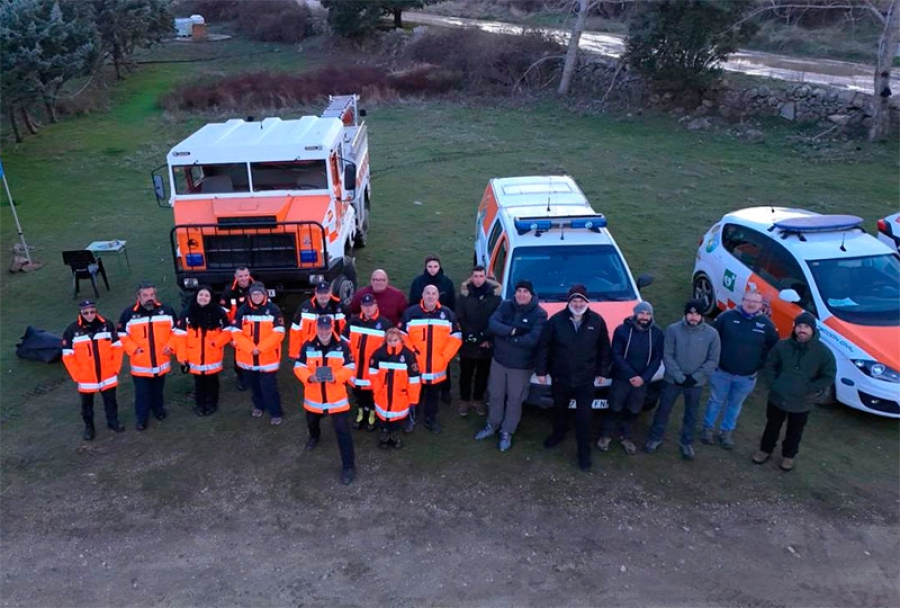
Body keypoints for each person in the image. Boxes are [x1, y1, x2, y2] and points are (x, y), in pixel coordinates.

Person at [536, 284, 611, 471]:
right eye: (574, 300)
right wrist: (542, 371)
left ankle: (583, 454)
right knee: (558, 409)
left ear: (587, 302)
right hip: (561, 377)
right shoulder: (555, 321)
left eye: (581, 300)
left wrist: (602, 372)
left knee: (584, 417)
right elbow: (544, 347)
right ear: (569, 302)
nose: (578, 304)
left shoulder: (597, 321)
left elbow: (604, 349)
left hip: (585, 379)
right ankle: (558, 434)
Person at [752, 311, 836, 471]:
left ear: (813, 329)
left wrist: (810, 388)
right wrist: (775, 384)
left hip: (802, 402)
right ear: (795, 327)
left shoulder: (823, 353)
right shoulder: (782, 346)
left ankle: (788, 456)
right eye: (799, 326)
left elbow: (829, 374)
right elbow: (770, 365)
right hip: (778, 397)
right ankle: (764, 450)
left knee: (795, 431)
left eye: (806, 327)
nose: (802, 330)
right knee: (772, 426)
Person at [700, 290, 778, 449]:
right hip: (721, 372)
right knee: (715, 401)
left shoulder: (767, 325)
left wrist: (758, 364)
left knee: (735, 405)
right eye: (748, 300)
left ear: (761, 305)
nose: (751, 304)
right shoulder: (726, 318)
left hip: (747, 377)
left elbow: (772, 349)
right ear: (742, 300)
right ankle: (707, 429)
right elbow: (713, 340)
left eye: (755, 302)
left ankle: (726, 432)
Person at [475, 280, 546, 452]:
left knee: (515, 400)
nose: (521, 294)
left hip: (520, 367)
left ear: (531, 294)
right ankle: (492, 425)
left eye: (525, 291)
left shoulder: (540, 314)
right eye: (519, 291)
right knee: (495, 394)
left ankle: (507, 432)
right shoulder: (505, 305)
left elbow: (532, 340)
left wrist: (504, 336)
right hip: (499, 361)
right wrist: (513, 331)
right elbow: (493, 324)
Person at [645, 299, 721, 460]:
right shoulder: (673, 330)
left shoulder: (712, 334)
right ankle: (655, 438)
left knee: (691, 413)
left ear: (702, 316)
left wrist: (695, 378)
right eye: (690, 314)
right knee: (663, 409)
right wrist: (679, 376)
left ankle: (686, 443)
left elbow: (713, 360)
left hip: (695, 384)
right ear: (685, 314)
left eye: (697, 314)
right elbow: (667, 354)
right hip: (672, 380)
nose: (693, 317)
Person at [294, 316, 357, 485]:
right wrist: (309, 378)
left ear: (332, 328)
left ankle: (348, 467)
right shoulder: (307, 345)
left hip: (337, 399)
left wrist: (335, 377)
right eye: (320, 328)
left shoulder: (342, 345)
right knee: (312, 421)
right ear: (316, 328)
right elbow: (299, 367)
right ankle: (315, 436)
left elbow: (350, 367)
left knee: (342, 431)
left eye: (326, 328)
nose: (324, 331)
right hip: (314, 397)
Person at [597, 301, 664, 456]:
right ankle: (606, 435)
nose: (644, 317)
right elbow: (616, 354)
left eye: (648, 314)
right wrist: (631, 375)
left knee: (634, 409)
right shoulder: (621, 330)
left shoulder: (657, 333)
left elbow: (656, 358)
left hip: (642, 380)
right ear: (635, 314)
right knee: (614, 406)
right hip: (622, 378)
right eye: (641, 313)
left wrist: (644, 377)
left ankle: (626, 437)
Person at [399, 284, 462, 434]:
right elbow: (402, 335)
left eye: (434, 293)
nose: (430, 296)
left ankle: (430, 420)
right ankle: (410, 418)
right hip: (416, 367)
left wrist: (444, 357)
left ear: (438, 296)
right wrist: (412, 354)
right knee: (413, 395)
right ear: (422, 295)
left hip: (437, 367)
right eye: (428, 293)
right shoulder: (411, 313)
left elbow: (456, 337)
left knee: (433, 397)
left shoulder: (447, 314)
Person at [62, 300, 125, 440]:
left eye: (92, 311)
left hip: (107, 374)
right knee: (87, 406)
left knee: (111, 401)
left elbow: (118, 347)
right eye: (86, 312)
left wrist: (115, 367)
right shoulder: (72, 330)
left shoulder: (107, 325)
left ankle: (113, 422)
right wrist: (78, 375)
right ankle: (89, 428)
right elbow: (67, 356)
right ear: (80, 313)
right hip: (86, 378)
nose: (89, 315)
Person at [119, 282, 177, 431]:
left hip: (161, 361)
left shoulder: (167, 311)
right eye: (145, 295)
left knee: (158, 390)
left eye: (152, 295)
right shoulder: (128, 314)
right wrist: (133, 349)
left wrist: (170, 346)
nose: (149, 298)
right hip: (141, 364)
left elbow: (176, 332)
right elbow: (121, 336)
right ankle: (142, 418)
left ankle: (158, 410)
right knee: (142, 393)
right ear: (138, 297)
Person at [229, 282, 286, 425]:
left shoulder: (274, 310)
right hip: (247, 359)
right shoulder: (242, 310)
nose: (256, 296)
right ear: (250, 295)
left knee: (269, 388)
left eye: (259, 294)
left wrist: (259, 348)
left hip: (267, 358)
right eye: (254, 294)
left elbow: (278, 333)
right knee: (254, 386)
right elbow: (236, 333)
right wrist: (250, 349)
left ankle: (276, 412)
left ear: (265, 295)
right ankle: (258, 406)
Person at [175, 286, 231, 417]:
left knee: (212, 381)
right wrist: (182, 356)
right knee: (199, 381)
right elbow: (179, 336)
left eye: (206, 296)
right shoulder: (187, 313)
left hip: (212, 355)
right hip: (194, 355)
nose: (203, 298)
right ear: (196, 296)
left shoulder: (219, 312)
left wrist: (215, 343)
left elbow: (228, 332)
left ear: (211, 298)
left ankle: (212, 404)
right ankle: (200, 404)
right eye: (201, 295)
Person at [342, 294, 392, 431]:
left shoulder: (385, 324)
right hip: (356, 367)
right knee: (357, 392)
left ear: (376, 305)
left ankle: (371, 413)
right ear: (361, 307)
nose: (368, 309)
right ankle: (360, 411)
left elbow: (390, 348)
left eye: (371, 305)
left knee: (371, 393)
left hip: (373, 369)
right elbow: (344, 344)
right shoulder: (353, 321)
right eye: (365, 306)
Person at [456, 266, 501, 417]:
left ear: (485, 278)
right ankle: (464, 400)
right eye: (475, 276)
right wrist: (472, 336)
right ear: (471, 277)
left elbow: (497, 319)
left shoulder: (495, 297)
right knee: (466, 373)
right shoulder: (464, 296)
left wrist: (484, 338)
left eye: (481, 276)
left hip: (486, 344)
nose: (478, 279)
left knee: (483, 373)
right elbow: (460, 318)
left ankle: (478, 399)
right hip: (468, 343)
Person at [369, 327, 421, 449]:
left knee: (397, 419)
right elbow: (372, 373)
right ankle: (385, 433)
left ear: (401, 340)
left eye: (395, 340)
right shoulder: (379, 353)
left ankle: (394, 434)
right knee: (383, 416)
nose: (392, 343)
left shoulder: (408, 355)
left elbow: (414, 379)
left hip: (400, 395)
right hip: (383, 394)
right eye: (390, 340)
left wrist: (413, 398)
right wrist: (377, 389)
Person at [289, 281, 347, 360]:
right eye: (320, 293)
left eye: (325, 292)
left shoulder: (339, 306)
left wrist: (346, 352)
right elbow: (295, 331)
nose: (323, 296)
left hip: (333, 352)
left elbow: (347, 332)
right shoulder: (304, 307)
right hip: (309, 351)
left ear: (330, 292)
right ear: (315, 293)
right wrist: (295, 353)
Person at [219, 267, 254, 391]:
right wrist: (229, 330)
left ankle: (255, 378)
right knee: (239, 356)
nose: (243, 278)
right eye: (240, 276)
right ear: (235, 277)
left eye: (245, 275)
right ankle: (241, 378)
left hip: (255, 328)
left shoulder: (257, 288)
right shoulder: (229, 292)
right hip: (237, 330)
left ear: (249, 275)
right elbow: (224, 314)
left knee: (256, 354)